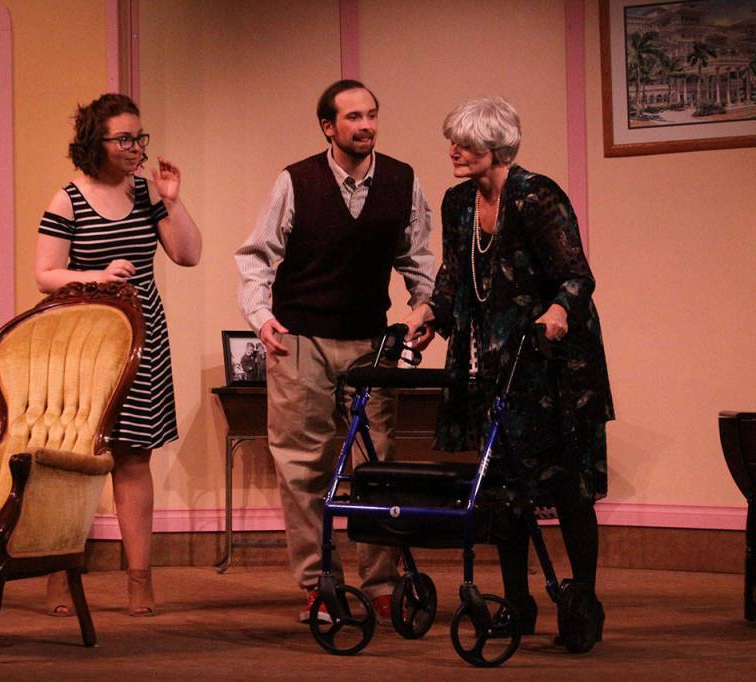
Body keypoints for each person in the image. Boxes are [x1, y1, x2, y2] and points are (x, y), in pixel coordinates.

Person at [407, 96, 614, 638]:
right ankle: (518, 604)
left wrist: (557, 310)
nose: (453, 149)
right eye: (452, 139)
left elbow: (576, 276)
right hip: (495, 363)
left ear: (495, 147)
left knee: (567, 486)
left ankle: (582, 603)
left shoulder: (536, 196)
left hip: (552, 364)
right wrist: (430, 310)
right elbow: (454, 277)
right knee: (504, 486)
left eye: (466, 141)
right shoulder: (457, 203)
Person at [234, 79, 435, 623]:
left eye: (371, 114)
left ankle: (380, 583)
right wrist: (262, 318)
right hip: (301, 340)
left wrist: (424, 307)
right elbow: (256, 257)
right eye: (352, 117)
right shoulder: (295, 181)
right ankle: (320, 582)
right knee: (303, 467)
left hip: (370, 340)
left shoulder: (402, 180)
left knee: (378, 464)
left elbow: (418, 258)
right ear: (329, 126)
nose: (365, 125)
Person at [36, 93, 202, 616]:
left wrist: (172, 200)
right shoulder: (68, 199)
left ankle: (139, 580)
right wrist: (96, 275)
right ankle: (60, 577)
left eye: (139, 137)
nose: (135, 147)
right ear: (96, 142)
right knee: (75, 460)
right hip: (86, 337)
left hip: (141, 334)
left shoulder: (147, 191)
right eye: (124, 138)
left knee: (133, 457)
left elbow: (188, 254)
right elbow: (46, 274)